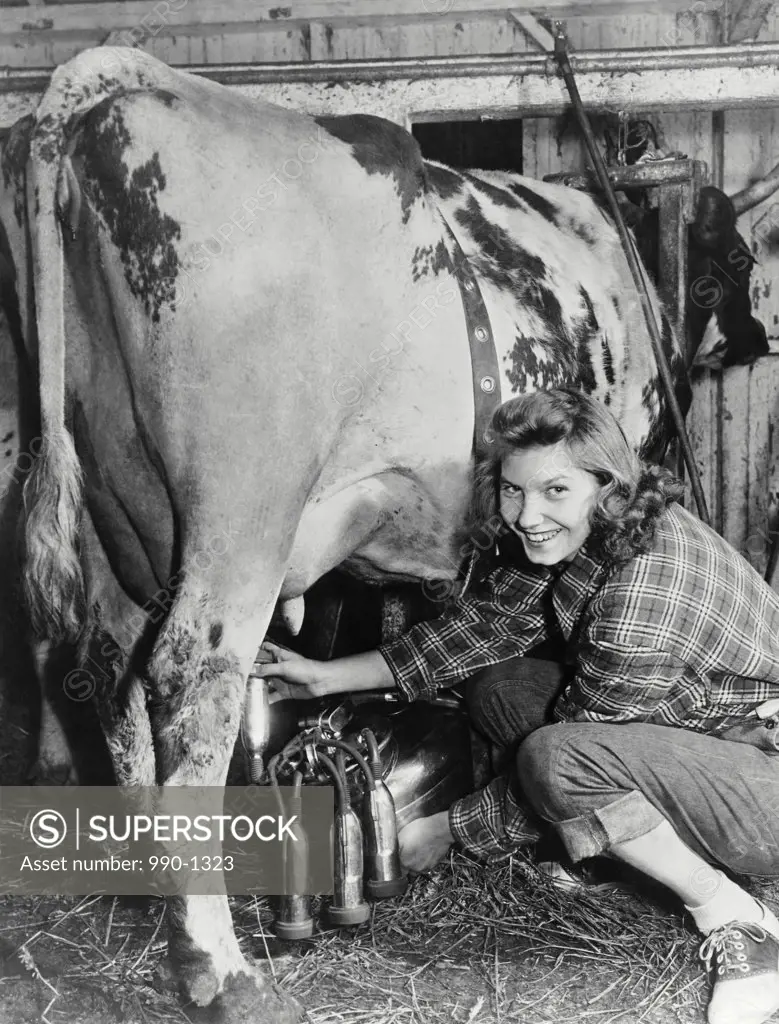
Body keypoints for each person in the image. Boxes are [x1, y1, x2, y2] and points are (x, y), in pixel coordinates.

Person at [256, 388, 779, 1024]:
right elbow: (484, 629)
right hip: (697, 735)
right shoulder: (593, 532)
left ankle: (736, 919)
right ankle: (602, 848)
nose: (526, 515)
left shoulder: (645, 588)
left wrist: (450, 829)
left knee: (556, 761)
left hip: (761, 779)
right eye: (512, 490)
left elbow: (572, 749)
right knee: (499, 686)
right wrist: (323, 678)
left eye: (554, 491)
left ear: (606, 485)